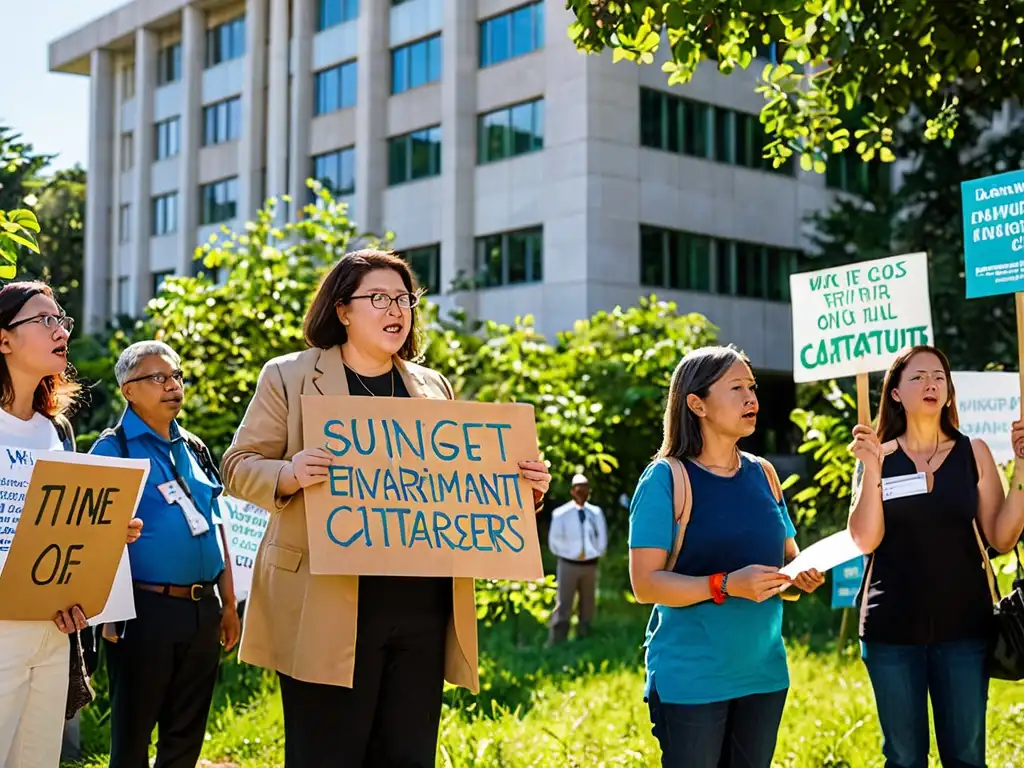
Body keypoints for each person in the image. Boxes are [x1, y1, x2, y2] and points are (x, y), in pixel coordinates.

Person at [221, 249, 551, 767]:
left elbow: (459, 491)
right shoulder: (288, 376)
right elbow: (237, 466)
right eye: (378, 298)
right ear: (343, 310)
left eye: (404, 299)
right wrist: (289, 474)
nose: (396, 309)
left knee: (408, 756)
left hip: (421, 611)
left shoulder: (433, 388)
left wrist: (519, 491)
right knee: (326, 755)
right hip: (325, 607)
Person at [628, 345, 824, 768]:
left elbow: (785, 566)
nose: (751, 398)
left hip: (764, 675)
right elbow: (645, 584)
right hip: (691, 680)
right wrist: (724, 585)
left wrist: (798, 577)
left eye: (752, 387)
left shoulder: (764, 473)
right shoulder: (665, 479)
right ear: (696, 403)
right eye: (736, 388)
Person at [847, 344, 1024, 768]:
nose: (931, 384)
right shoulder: (875, 455)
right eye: (919, 377)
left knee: (965, 757)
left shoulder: (974, 452)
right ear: (895, 393)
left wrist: (1022, 464)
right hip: (891, 631)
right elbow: (864, 540)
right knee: (904, 758)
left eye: (939, 377)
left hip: (965, 630)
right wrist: (871, 469)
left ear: (949, 392)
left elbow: (1001, 536)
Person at [0, 281, 142, 768]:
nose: (60, 330)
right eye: (44, 320)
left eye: (61, 320)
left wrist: (105, 533)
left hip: (54, 627)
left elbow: (63, 522)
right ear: (3, 340)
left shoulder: (57, 429)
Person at [90, 340, 240, 768]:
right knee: (133, 735)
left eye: (176, 376)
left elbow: (217, 523)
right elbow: (91, 537)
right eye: (158, 378)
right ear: (128, 391)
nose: (172, 385)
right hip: (143, 611)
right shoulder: (112, 449)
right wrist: (106, 616)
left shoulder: (194, 447)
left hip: (202, 609)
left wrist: (228, 604)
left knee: (185, 734)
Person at [547, 472, 608, 644]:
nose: (583, 493)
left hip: (590, 564)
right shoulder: (561, 514)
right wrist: (571, 554)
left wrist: (595, 552)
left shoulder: (595, 513)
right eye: (579, 489)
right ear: (573, 491)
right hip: (569, 564)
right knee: (564, 602)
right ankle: (557, 640)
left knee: (588, 602)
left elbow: (601, 537)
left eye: (586, 489)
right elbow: (554, 541)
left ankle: (584, 637)